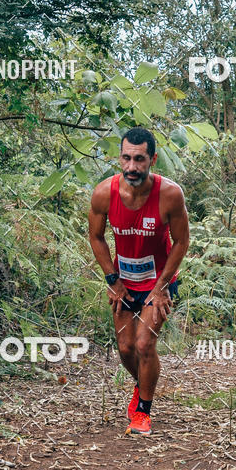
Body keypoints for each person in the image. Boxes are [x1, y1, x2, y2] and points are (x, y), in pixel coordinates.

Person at [88, 126, 190, 435]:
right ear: (119, 158)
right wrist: (112, 279)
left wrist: (161, 287)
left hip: (158, 281)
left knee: (145, 344)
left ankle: (143, 411)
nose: (132, 167)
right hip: (124, 280)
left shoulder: (170, 195)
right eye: (127, 158)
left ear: (152, 159)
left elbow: (181, 242)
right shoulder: (104, 193)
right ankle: (143, 384)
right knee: (125, 348)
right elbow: (95, 236)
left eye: (140, 159)